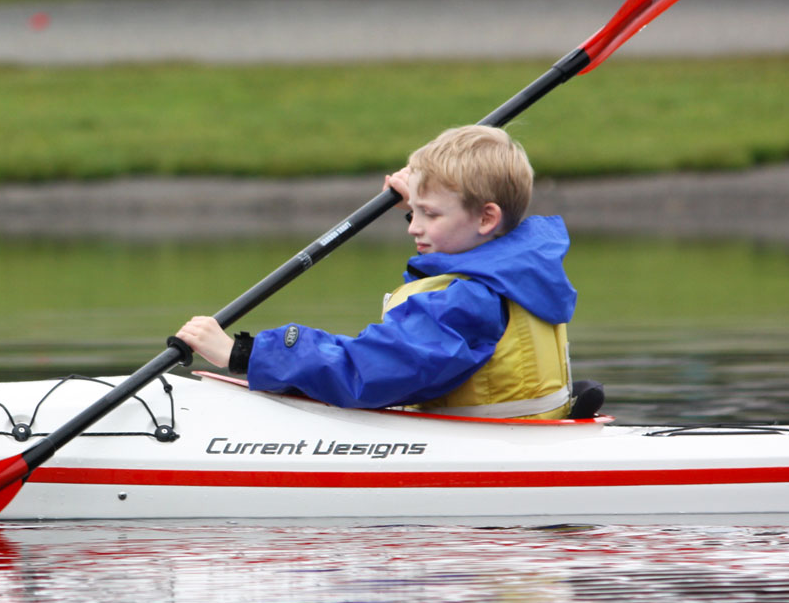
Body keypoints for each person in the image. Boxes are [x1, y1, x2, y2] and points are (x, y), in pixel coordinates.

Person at [175, 125, 578, 419]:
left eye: (429, 214)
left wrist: (244, 354)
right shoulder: (518, 263)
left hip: (492, 459)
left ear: (487, 217)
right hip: (517, 437)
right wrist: (423, 198)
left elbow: (367, 370)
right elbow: (447, 275)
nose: (414, 226)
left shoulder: (467, 300)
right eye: (413, 211)